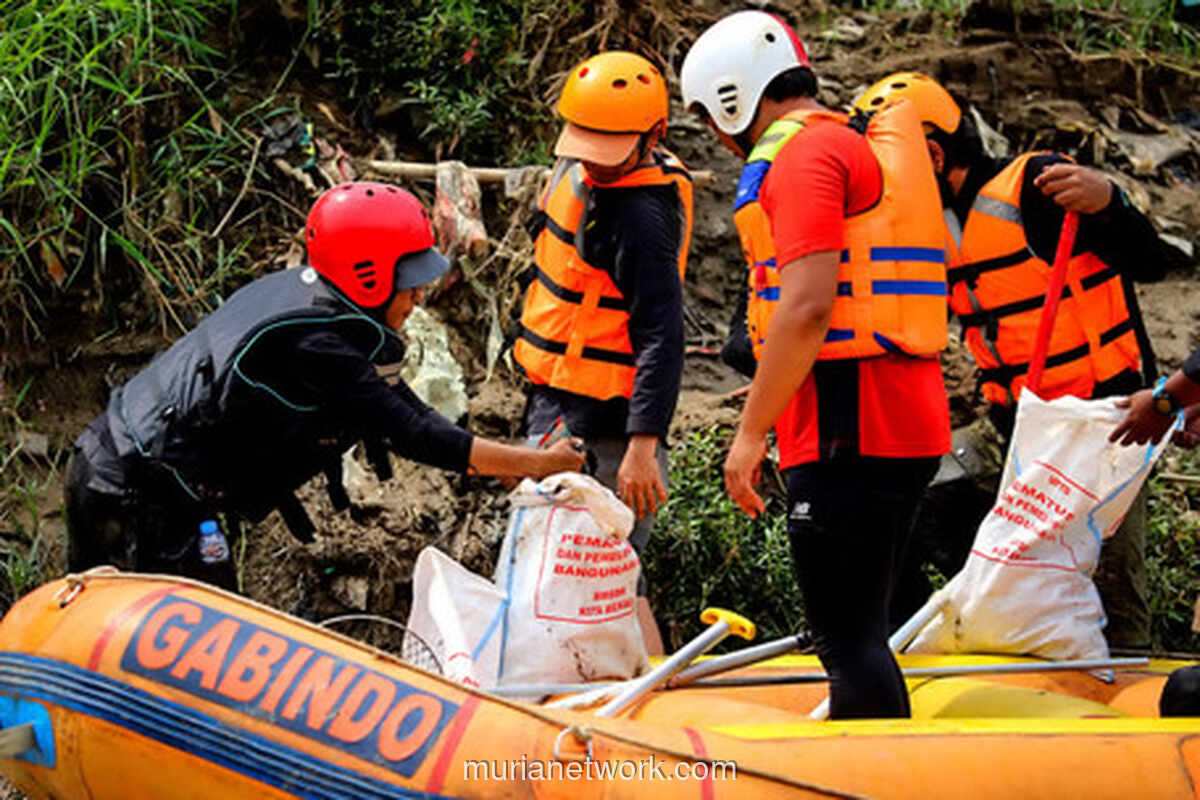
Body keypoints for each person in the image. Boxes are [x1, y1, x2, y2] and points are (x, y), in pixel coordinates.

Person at [66, 182, 585, 586]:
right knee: (164, 664)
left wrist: (504, 464)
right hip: (130, 493)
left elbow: (407, 409)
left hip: (135, 478)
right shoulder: (318, 344)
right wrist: (535, 463)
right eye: (409, 286)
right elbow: (414, 433)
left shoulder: (317, 306)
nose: (418, 299)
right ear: (368, 276)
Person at [681, 11, 951, 719]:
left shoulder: (804, 157)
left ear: (735, 97)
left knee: (846, 637)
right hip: (883, 413)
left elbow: (805, 308)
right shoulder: (833, 143)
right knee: (864, 629)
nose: (716, 132)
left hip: (853, 418)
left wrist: (748, 435)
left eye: (712, 115)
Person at [857, 72, 1170, 648]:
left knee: (1111, 582)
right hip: (1011, 426)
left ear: (929, 153)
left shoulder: (1033, 188)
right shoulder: (932, 226)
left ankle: (1123, 694)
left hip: (1101, 426)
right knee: (911, 503)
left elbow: (1150, 262)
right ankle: (956, 638)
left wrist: (1111, 202)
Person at [511, 51, 693, 656]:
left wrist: (644, 446)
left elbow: (664, 335)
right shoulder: (581, 167)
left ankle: (636, 709)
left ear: (653, 136)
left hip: (609, 425)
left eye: (609, 146)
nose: (593, 158)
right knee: (571, 568)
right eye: (584, 140)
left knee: (604, 573)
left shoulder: (643, 215)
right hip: (559, 396)